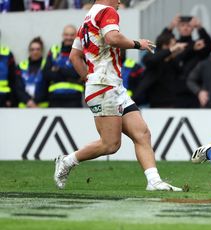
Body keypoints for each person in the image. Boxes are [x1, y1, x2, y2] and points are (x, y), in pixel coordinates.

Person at [56, 0, 182, 191]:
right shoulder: (107, 11)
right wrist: (138, 43)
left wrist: (87, 78)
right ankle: (67, 161)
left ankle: (154, 181)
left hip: (111, 86)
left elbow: (74, 56)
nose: (120, 2)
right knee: (110, 144)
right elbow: (112, 38)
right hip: (104, 85)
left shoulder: (87, 18)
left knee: (142, 133)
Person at [161, 15, 211, 108]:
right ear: (178, 27)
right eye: (182, 25)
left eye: (188, 25)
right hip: (173, 92)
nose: (185, 28)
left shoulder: (198, 44)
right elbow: (160, 44)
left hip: (193, 92)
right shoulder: (173, 45)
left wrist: (200, 28)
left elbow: (209, 46)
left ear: (193, 28)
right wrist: (170, 27)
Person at [36, 25, 83, 107]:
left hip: (74, 97)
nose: (69, 37)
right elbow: (46, 73)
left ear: (76, 36)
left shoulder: (81, 51)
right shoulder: (54, 50)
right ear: (62, 35)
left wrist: (59, 70)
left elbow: (80, 73)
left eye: (72, 35)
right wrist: (70, 73)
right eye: (66, 34)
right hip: (54, 97)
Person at [141, 31, 186, 108]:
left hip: (173, 101)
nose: (175, 47)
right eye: (173, 45)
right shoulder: (151, 55)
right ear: (165, 45)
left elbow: (180, 72)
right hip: (154, 101)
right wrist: (171, 50)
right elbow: (152, 60)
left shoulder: (175, 59)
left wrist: (173, 55)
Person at [15, 37, 45, 108]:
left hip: (42, 107)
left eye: (38, 49)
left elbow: (47, 86)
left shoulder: (46, 65)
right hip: (24, 106)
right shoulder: (21, 66)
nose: (35, 52)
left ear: (41, 50)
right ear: (29, 51)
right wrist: (28, 101)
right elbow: (17, 87)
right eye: (32, 49)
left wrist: (36, 101)